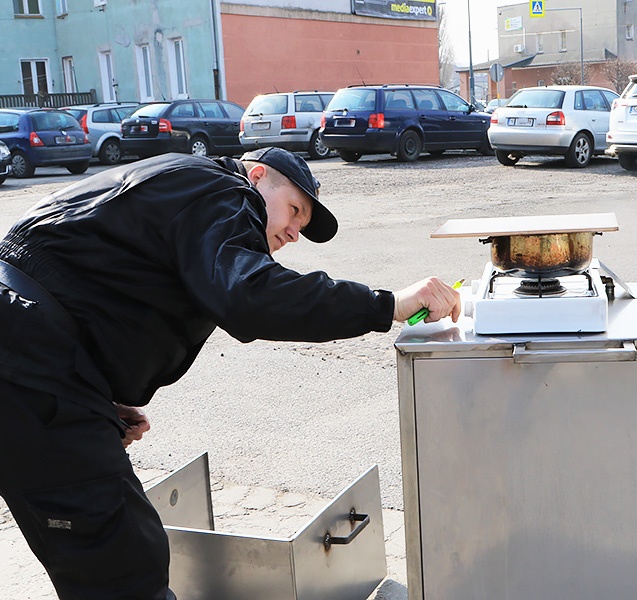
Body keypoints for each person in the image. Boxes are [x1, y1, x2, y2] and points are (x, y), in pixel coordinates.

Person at [0, 147, 461, 600]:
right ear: (258, 176)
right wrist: (387, 304)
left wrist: (97, 395)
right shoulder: (221, 189)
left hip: (31, 354)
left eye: (302, 225)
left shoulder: (181, 188)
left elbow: (73, 279)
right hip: (29, 359)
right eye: (294, 210)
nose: (294, 233)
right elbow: (249, 296)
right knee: (122, 565)